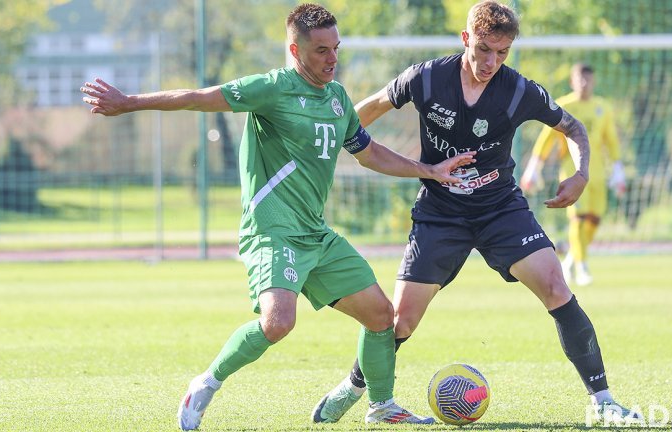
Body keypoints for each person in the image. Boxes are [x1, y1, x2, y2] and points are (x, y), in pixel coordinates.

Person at [81, 4, 477, 430]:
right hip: (272, 232)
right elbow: (197, 97)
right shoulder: (272, 88)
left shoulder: (337, 98)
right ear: (295, 50)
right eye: (321, 50)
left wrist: (429, 170)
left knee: (382, 317)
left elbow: (371, 154)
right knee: (278, 322)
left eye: (336, 48)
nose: (332, 58)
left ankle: (381, 405)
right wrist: (128, 103)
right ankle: (207, 383)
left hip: (316, 235)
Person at [311, 0, 641, 425]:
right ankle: (354, 387)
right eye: (484, 49)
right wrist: (328, 140)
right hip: (440, 211)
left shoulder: (518, 90)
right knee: (399, 321)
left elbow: (573, 127)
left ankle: (604, 401)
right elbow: (369, 108)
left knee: (556, 286)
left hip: (499, 208)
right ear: (466, 38)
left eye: (502, 53)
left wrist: (581, 174)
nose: (491, 62)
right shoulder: (427, 78)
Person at [520, 63, 626, 286]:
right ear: (572, 81)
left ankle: (571, 258)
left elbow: (611, 140)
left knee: (594, 219)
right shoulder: (564, 105)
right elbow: (546, 139)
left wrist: (618, 168)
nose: (585, 84)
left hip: (597, 172)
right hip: (572, 171)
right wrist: (534, 168)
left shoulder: (602, 107)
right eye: (580, 79)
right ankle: (582, 266)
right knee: (578, 218)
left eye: (588, 79)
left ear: (594, 82)